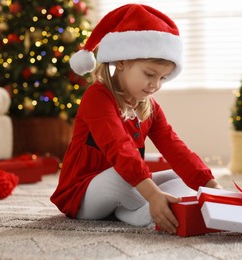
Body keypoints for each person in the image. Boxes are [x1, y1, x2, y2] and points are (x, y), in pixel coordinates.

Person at [50, 3, 222, 234]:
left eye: (163, 77)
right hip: (82, 193)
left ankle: (135, 212)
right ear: (121, 61)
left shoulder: (149, 107)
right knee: (123, 176)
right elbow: (119, 148)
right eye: (150, 74)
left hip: (125, 184)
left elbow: (175, 148)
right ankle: (151, 209)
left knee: (177, 176)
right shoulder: (97, 96)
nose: (156, 85)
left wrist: (213, 187)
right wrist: (152, 193)